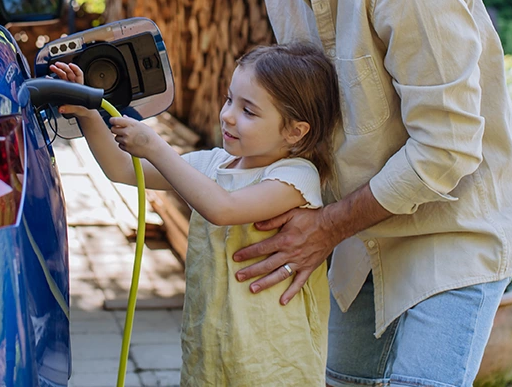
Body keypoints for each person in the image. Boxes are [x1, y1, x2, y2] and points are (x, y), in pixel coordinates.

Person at [178, 0, 512, 387]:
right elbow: (307, 121)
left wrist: (328, 225)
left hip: (450, 227)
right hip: (359, 231)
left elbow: (446, 149)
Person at [51, 42, 341, 386]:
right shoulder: (214, 164)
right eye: (230, 99)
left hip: (272, 356)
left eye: (249, 111)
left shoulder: (295, 176)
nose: (228, 115)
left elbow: (223, 208)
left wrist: (157, 147)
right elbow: (123, 170)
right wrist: (88, 114)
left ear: (295, 131)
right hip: (212, 347)